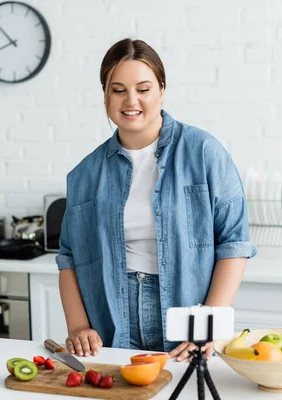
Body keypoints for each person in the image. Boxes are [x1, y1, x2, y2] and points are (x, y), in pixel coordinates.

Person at [56, 38, 256, 363]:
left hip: (188, 327)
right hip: (111, 326)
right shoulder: (84, 174)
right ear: (105, 95)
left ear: (162, 90)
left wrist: (206, 326)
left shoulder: (204, 153)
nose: (131, 100)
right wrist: (78, 326)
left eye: (143, 88)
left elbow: (234, 244)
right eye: (118, 89)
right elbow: (69, 259)